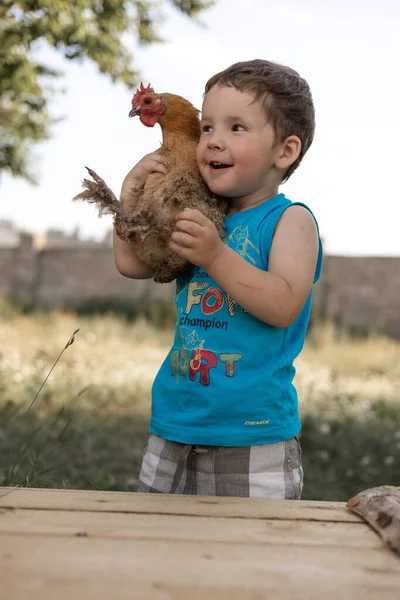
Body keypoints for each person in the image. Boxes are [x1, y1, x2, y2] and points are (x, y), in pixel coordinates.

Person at [114, 59, 323, 499]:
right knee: (160, 547)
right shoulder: (198, 211)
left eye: (236, 129)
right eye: (207, 128)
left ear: (284, 151)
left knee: (250, 556)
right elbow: (132, 264)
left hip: (253, 436)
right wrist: (129, 194)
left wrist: (214, 255)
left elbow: (283, 305)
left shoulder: (290, 221)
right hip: (174, 422)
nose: (213, 142)